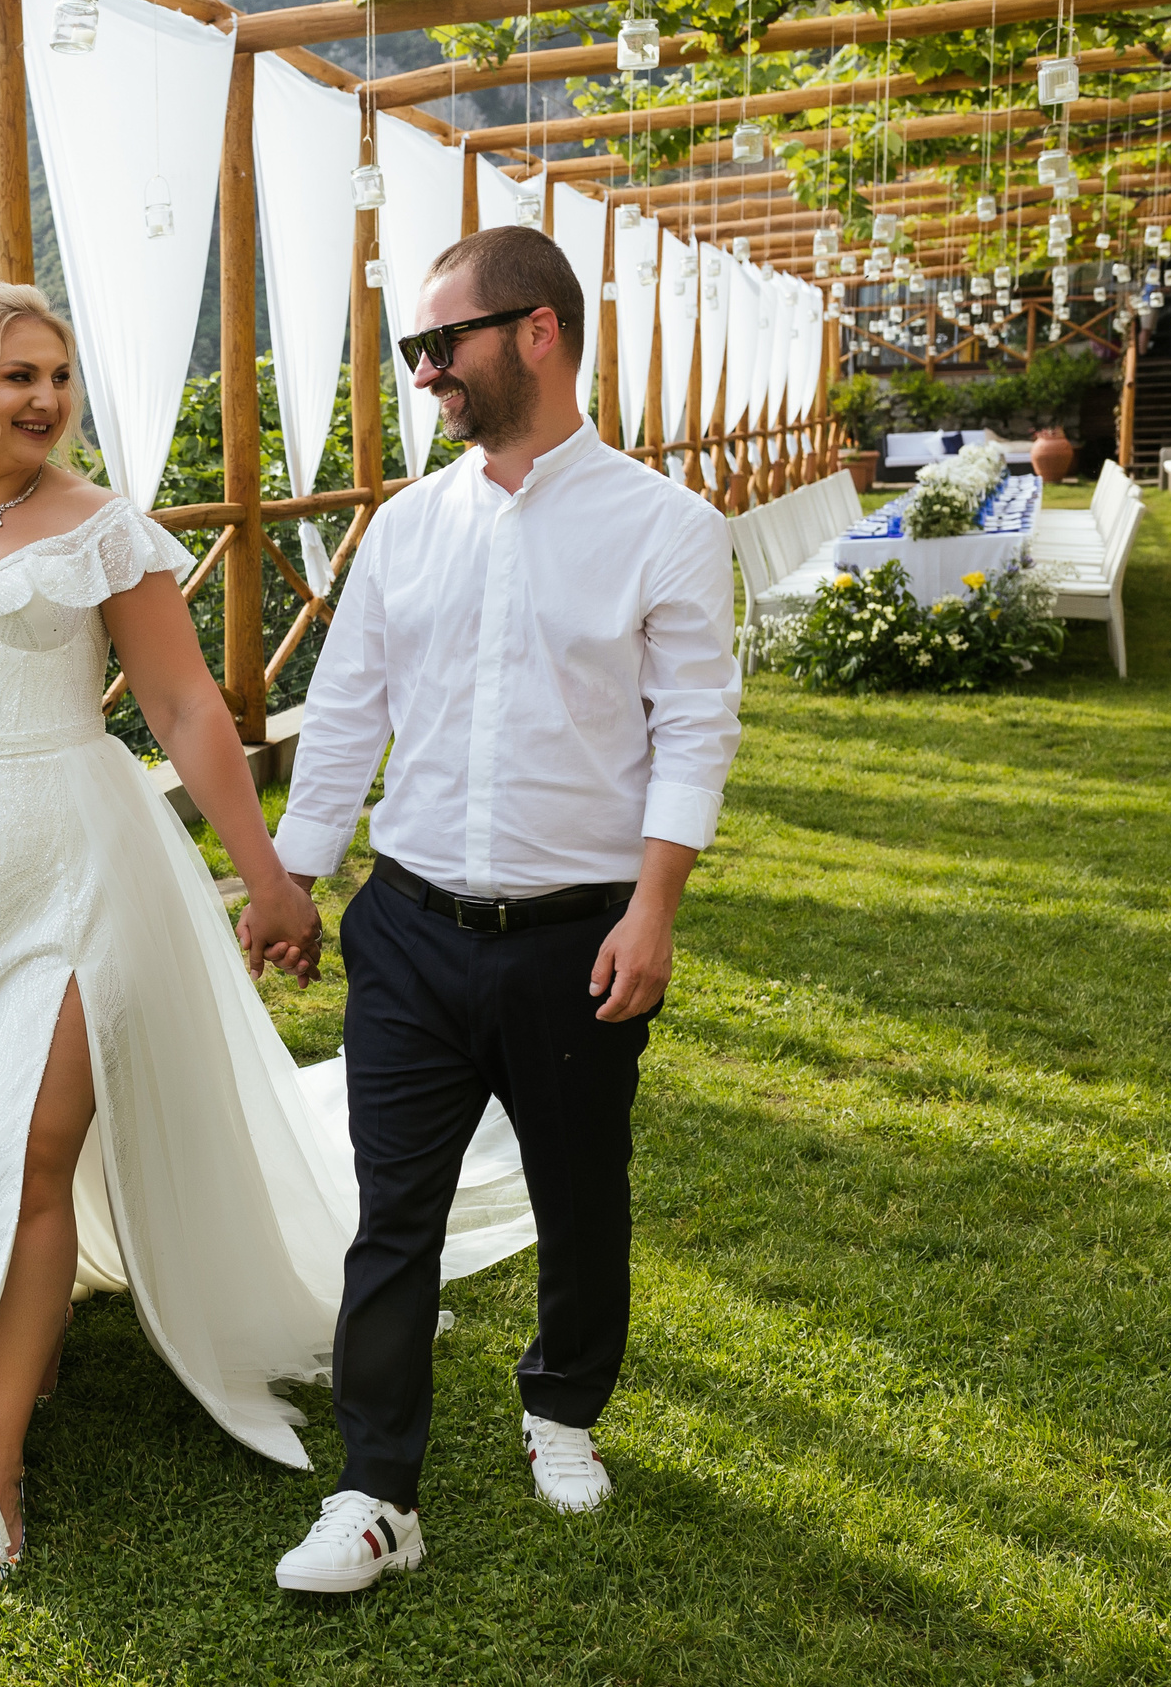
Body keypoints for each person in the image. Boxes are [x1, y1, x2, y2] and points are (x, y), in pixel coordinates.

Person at [0, 283, 537, 1585]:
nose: (44, 399)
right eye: (17, 376)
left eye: (58, 377)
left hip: (73, 860)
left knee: (37, 1144)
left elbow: (184, 705)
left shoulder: (102, 532)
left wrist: (268, 877)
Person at [268, 226, 743, 1594]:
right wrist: (298, 879)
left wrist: (653, 910)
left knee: (580, 1189)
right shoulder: (407, 528)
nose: (424, 372)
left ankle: (562, 1412)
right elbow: (348, 710)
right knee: (392, 1212)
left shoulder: (666, 527)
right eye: (418, 348)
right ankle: (376, 1496)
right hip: (409, 928)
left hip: (579, 932)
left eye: (442, 343)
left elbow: (694, 733)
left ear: (538, 331)